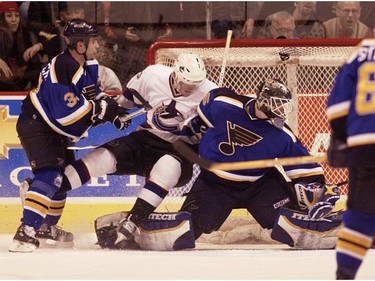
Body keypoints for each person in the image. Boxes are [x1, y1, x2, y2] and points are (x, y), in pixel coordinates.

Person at [21, 53, 218, 249]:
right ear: (175, 75)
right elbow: (126, 101)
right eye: (186, 83)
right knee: (100, 159)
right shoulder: (153, 76)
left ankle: (131, 223)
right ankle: (39, 190)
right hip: (146, 139)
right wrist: (115, 113)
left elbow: (225, 126)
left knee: (168, 167)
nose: (189, 89)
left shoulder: (212, 94)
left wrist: (206, 127)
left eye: (194, 85)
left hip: (181, 151)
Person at [9, 18, 129, 253]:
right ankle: (26, 231)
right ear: (80, 45)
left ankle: (45, 228)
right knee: (50, 175)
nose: (97, 45)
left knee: (62, 180)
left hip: (51, 128)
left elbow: (94, 95)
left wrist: (112, 112)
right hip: (38, 124)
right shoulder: (62, 67)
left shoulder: (87, 65)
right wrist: (102, 111)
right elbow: (67, 114)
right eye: (93, 41)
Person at [179, 79, 343, 248]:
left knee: (294, 224)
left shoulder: (282, 135)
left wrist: (322, 190)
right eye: (278, 104)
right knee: (185, 230)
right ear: (264, 101)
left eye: (283, 104)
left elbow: (305, 168)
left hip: (260, 185)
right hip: (214, 183)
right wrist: (197, 128)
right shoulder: (223, 105)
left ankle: (350, 229)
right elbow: (202, 114)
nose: (282, 109)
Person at [326, 39, 375, 279]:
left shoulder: (361, 52)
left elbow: (337, 107)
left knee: (360, 216)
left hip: (365, 144)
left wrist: (343, 137)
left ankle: (344, 276)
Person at [0, 2, 42, 91]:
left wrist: (39, 46)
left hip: (21, 88)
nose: (14, 20)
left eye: (17, 15)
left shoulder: (25, 34)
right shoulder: (2, 35)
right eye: (9, 16)